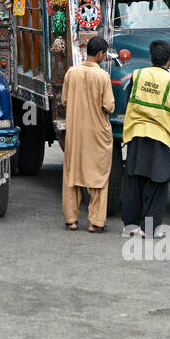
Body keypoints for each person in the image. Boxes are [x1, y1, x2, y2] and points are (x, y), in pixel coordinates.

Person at [120, 39, 170, 239]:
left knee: (134, 179)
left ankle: (130, 225)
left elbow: (129, 103)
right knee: (157, 182)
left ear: (151, 58)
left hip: (136, 133)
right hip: (162, 138)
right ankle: (148, 228)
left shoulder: (137, 75)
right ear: (169, 60)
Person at [58, 35, 115, 232]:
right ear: (100, 54)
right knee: (99, 176)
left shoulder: (71, 72)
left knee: (72, 175)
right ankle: (96, 223)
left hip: (75, 133)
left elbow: (64, 100)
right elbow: (108, 105)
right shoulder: (102, 76)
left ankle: (71, 220)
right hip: (97, 133)